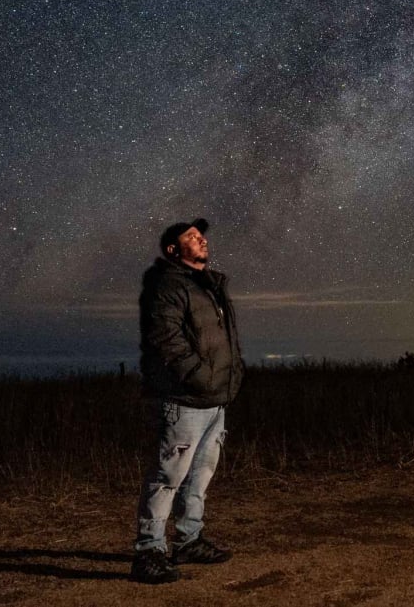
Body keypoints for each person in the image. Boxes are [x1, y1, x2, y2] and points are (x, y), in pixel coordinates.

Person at [131, 217, 246, 584]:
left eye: (201, 236)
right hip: (184, 399)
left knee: (200, 475)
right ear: (173, 249)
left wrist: (230, 377)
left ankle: (188, 540)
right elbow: (168, 340)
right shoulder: (167, 285)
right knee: (168, 475)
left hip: (214, 400)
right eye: (191, 237)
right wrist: (202, 377)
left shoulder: (208, 286)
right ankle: (149, 551)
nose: (201, 240)